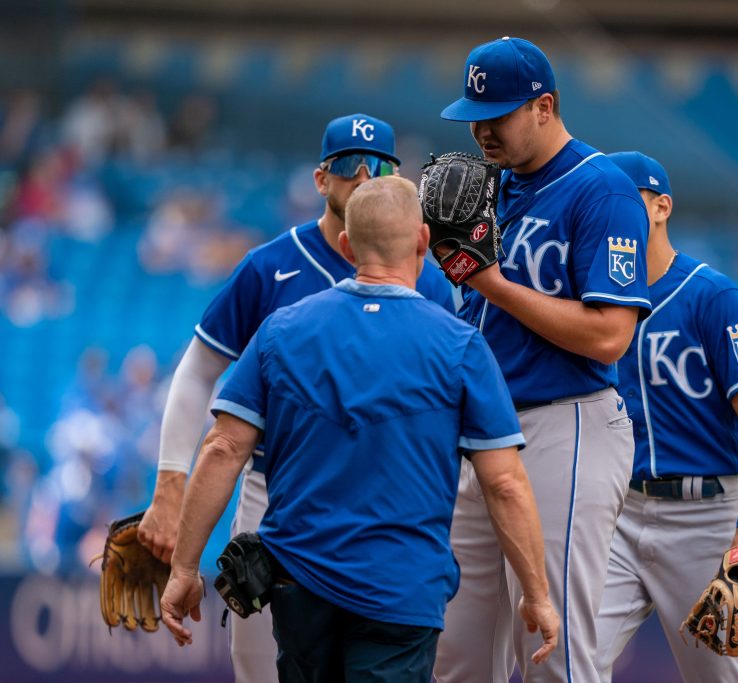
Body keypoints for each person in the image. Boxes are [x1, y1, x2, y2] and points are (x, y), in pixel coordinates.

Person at [159, 176, 560, 682]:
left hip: (299, 582)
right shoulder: (461, 346)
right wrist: (538, 594)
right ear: (421, 241)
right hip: (401, 589)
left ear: (347, 246)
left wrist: (184, 569)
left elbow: (222, 448)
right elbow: (503, 482)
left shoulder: (280, 330)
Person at [137, 113, 454, 683]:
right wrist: (169, 482)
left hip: (390, 500)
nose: (363, 175)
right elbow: (196, 373)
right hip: (275, 487)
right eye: (347, 166)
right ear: (319, 179)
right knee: (262, 667)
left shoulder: (426, 278)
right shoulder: (270, 267)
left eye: (378, 165)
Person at [434, 37, 652, 683]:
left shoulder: (601, 189)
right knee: (456, 656)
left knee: (557, 656)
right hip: (482, 434)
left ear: (544, 106)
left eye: (497, 114)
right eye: (474, 115)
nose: (481, 130)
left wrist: (491, 282)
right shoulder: (488, 187)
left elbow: (611, 335)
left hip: (564, 425)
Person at [594, 152, 738, 682]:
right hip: (619, 512)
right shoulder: (595, 301)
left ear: (660, 207)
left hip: (705, 518)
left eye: (622, 202)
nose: (608, 215)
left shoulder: (713, 297)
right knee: (565, 659)